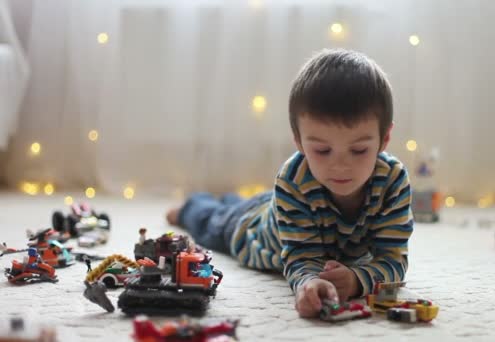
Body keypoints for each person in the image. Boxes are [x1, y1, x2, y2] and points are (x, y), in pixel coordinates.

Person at [166, 49, 414, 318]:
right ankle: (191, 206)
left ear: (384, 139)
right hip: (252, 230)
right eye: (322, 151)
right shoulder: (293, 178)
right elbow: (301, 257)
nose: (341, 166)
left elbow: (393, 259)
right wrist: (307, 283)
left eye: (358, 151)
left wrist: (357, 279)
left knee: (244, 203)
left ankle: (232, 199)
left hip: (277, 206)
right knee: (211, 220)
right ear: (298, 141)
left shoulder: (393, 181)